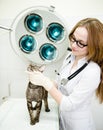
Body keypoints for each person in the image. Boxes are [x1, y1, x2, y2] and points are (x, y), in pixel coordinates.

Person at [26, 18, 103, 130]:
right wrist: (40, 79)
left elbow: (69, 104)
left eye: (81, 43)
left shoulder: (92, 71)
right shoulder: (70, 57)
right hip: (62, 120)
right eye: (73, 38)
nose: (74, 45)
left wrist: (46, 83)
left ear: (94, 46)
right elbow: (59, 82)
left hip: (79, 125)